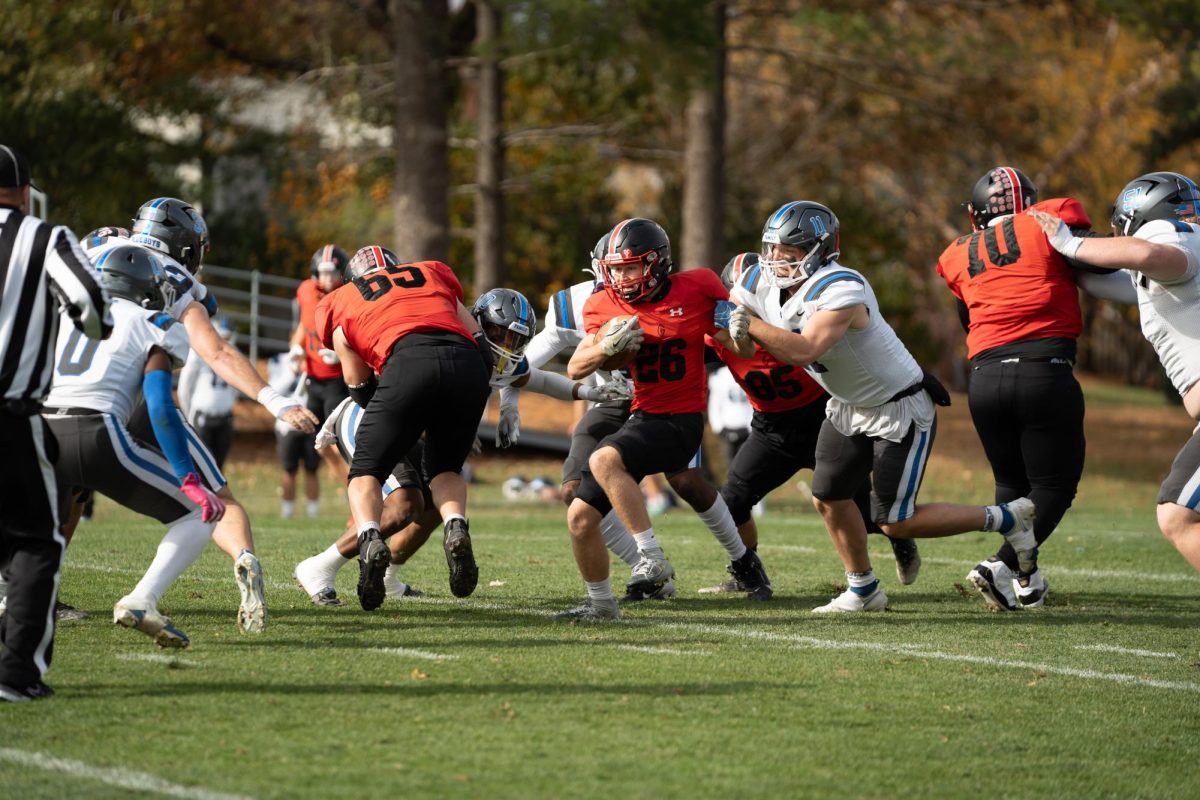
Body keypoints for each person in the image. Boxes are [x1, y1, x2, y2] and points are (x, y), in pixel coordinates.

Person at [729, 200, 1037, 613]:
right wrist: (736, 328)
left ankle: (1007, 518)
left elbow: (805, 350)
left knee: (895, 519)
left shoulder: (841, 288)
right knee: (828, 496)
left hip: (897, 407)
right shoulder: (757, 281)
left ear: (819, 251)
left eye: (791, 252)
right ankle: (863, 589)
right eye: (772, 250)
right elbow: (744, 345)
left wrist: (746, 323)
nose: (777, 261)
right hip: (847, 404)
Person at [298, 280, 628, 608]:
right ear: (479, 323)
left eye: (515, 339)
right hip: (367, 417)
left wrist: (588, 393)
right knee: (403, 505)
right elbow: (396, 392)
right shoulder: (450, 340)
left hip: (414, 426)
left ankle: (389, 577)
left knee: (432, 508)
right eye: (499, 334)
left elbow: (538, 379)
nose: (505, 344)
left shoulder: (487, 359)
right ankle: (319, 567)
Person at [82, 198, 320, 633]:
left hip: (60, 393)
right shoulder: (177, 283)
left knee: (64, 491)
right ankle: (243, 557)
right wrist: (275, 400)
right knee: (213, 502)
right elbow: (216, 352)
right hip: (132, 399)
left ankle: (27, 588)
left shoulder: (90, 251)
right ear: (185, 245)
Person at [498, 233, 770, 603]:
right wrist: (602, 349)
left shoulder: (698, 287)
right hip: (613, 401)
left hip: (670, 410)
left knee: (686, 481)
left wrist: (740, 334)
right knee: (577, 502)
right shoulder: (590, 302)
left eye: (629, 268)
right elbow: (551, 363)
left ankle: (732, 561)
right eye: (613, 270)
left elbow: (737, 345)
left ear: (655, 263)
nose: (620, 278)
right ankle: (616, 595)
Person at [934, 166, 1112, 610]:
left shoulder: (957, 252)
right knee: (1053, 486)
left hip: (986, 378)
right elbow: (1093, 257)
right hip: (1043, 368)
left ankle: (1026, 579)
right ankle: (1000, 566)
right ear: (1028, 203)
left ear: (977, 214)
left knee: (1012, 484)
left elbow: (967, 318)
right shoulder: (1050, 217)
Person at [704, 253, 921, 598]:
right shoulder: (716, 334)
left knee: (867, 513)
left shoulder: (792, 320)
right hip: (771, 429)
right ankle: (748, 573)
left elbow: (860, 350)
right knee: (732, 501)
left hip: (822, 419)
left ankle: (898, 536)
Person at [43, 245, 226, 648]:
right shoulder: (155, 321)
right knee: (200, 511)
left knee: (37, 534)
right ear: (146, 288)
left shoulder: (62, 317)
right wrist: (188, 476)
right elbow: (160, 407)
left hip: (39, 430)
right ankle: (142, 600)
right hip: (94, 431)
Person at [1030, 170, 1200, 576]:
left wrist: (1070, 241)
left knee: (1176, 515)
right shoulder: (1168, 270)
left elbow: (1147, 255)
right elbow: (1113, 279)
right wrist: (1049, 254)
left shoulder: (1172, 235)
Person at [0, 145, 112, 702]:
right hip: (12, 414)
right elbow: (93, 310)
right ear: (23, 191)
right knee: (36, 542)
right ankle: (15, 674)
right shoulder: (42, 237)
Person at [289, 245, 351, 484]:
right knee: (321, 446)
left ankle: (363, 495)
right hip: (313, 381)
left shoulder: (347, 296)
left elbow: (358, 336)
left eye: (333, 272)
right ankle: (352, 492)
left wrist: (343, 354)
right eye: (323, 272)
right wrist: (296, 348)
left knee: (340, 444)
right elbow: (304, 327)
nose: (327, 278)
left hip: (338, 381)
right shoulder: (306, 290)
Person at [177, 315, 238, 469]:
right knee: (201, 466)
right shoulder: (198, 352)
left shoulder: (235, 355)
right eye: (222, 336)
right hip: (202, 415)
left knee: (219, 468)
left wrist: (228, 405)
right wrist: (190, 413)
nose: (225, 340)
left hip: (225, 417)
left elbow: (237, 387)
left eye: (228, 337)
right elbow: (185, 387)